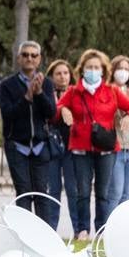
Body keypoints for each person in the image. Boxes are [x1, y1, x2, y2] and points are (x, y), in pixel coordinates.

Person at [56, 49, 129, 239]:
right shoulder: (73, 91)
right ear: (82, 69)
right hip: (80, 148)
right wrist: (62, 110)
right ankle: (82, 230)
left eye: (96, 67)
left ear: (103, 71)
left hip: (106, 150)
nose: (93, 70)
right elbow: (57, 109)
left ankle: (102, 230)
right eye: (89, 67)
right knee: (83, 192)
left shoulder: (111, 91)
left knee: (103, 193)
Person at [0, 41, 57, 224]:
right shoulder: (7, 85)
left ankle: (46, 238)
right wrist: (26, 98)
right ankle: (24, 236)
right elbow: (7, 115)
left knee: (41, 192)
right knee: (23, 191)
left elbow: (51, 113)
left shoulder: (46, 83)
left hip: (40, 146)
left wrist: (39, 94)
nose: (29, 58)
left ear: (39, 59)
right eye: (25, 55)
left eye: (33, 55)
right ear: (19, 58)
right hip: (17, 146)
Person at [44, 59, 82, 234]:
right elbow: (49, 115)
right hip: (52, 147)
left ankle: (78, 229)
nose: (62, 77)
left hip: (72, 148)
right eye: (58, 73)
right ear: (52, 76)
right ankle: (51, 230)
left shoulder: (76, 93)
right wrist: (62, 108)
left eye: (65, 73)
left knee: (73, 190)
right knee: (53, 190)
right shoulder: (47, 93)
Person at [104, 54, 129, 219]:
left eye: (126, 69)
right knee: (115, 192)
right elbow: (107, 116)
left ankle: (122, 229)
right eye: (120, 68)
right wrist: (125, 99)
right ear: (112, 70)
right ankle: (106, 229)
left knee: (127, 193)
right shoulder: (107, 90)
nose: (123, 72)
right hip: (117, 148)